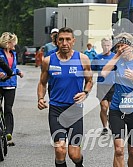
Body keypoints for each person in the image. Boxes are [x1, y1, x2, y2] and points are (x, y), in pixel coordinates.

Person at [37, 27, 93, 167]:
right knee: (60, 150)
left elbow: (90, 81)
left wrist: (85, 92)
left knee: (74, 154)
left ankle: (79, 165)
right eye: (61, 39)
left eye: (68, 39)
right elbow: (42, 83)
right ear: (56, 41)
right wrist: (40, 98)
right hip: (56, 110)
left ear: (73, 41)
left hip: (75, 111)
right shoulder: (48, 61)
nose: (64, 42)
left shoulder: (82, 59)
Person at [101, 32, 133, 167]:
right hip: (117, 110)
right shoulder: (116, 61)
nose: (120, 48)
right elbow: (104, 73)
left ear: (130, 46)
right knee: (118, 150)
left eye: (123, 45)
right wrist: (117, 55)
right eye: (118, 46)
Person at [0, 32, 24, 146]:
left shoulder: (13, 53)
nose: (15, 44)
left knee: (8, 109)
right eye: (13, 42)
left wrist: (18, 72)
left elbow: (13, 67)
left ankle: (8, 133)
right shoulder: (0, 53)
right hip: (0, 83)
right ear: (8, 43)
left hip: (11, 85)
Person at [91, 37, 115, 135]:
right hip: (102, 85)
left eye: (108, 45)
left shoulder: (115, 57)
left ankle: (111, 120)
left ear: (111, 46)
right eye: (104, 45)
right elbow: (92, 69)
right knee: (104, 107)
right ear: (101, 46)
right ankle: (105, 127)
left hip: (113, 85)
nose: (106, 47)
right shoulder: (97, 57)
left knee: (112, 107)